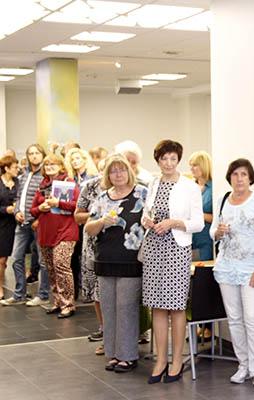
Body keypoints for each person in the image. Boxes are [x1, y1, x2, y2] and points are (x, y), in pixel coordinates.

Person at [141, 140, 204, 384]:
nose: (168, 163)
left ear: (178, 160)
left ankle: (177, 359)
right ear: (157, 161)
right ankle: (160, 360)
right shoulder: (153, 183)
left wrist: (174, 223)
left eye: (173, 159)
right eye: (164, 159)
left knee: (176, 306)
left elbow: (198, 223)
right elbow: (148, 211)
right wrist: (147, 220)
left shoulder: (189, 186)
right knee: (157, 305)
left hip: (177, 249)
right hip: (154, 247)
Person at [210, 158, 254, 390]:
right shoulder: (222, 200)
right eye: (235, 174)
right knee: (234, 319)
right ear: (230, 178)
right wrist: (218, 231)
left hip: (252, 269)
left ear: (250, 177)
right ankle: (243, 365)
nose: (239, 179)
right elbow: (212, 232)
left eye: (243, 174)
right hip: (227, 268)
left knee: (253, 319)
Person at [86, 154, 148, 373]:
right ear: (108, 175)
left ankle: (128, 356)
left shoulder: (142, 192)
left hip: (131, 260)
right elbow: (88, 228)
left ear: (128, 172)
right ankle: (113, 353)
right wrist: (102, 221)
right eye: (113, 171)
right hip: (105, 259)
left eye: (122, 170)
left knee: (126, 308)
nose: (118, 174)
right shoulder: (103, 198)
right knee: (109, 308)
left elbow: (152, 219)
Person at [30, 154, 80, 318]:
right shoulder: (41, 186)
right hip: (46, 233)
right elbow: (32, 210)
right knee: (50, 269)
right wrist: (42, 208)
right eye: (47, 164)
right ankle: (57, 301)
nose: (50, 167)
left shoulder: (68, 183)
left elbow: (77, 205)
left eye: (53, 164)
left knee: (61, 265)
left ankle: (68, 304)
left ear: (61, 166)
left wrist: (58, 203)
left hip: (66, 232)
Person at [1, 144, 50, 307]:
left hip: (39, 223)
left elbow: (47, 201)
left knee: (43, 261)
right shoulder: (23, 176)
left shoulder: (45, 176)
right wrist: (16, 212)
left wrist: (38, 219)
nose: (34, 156)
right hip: (21, 223)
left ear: (42, 155)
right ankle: (20, 293)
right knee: (16, 258)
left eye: (36, 153)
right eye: (30, 154)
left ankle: (43, 294)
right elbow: (18, 198)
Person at [75, 174, 105, 349]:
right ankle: (104, 330)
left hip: (121, 250)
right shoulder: (90, 186)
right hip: (92, 247)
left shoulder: (137, 186)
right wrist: (96, 216)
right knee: (96, 290)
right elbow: (77, 216)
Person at [65, 148, 99, 300]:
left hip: (89, 220)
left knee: (85, 256)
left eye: (78, 158)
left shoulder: (93, 179)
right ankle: (75, 289)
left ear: (85, 159)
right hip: (72, 220)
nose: (75, 161)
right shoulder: (68, 180)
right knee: (73, 256)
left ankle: (87, 289)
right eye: (72, 159)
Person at [0, 155, 20, 299]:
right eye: (14, 167)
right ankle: (0, 286)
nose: (17, 170)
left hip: (17, 223)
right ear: (6, 168)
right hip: (2, 224)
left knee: (18, 257)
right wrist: (5, 210)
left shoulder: (19, 182)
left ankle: (20, 289)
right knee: (2, 258)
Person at [189, 151, 214, 261]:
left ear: (204, 166)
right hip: (189, 241)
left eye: (195, 165)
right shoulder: (190, 188)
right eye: (191, 165)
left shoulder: (213, 189)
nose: (191, 169)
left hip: (205, 243)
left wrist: (198, 215)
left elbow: (217, 218)